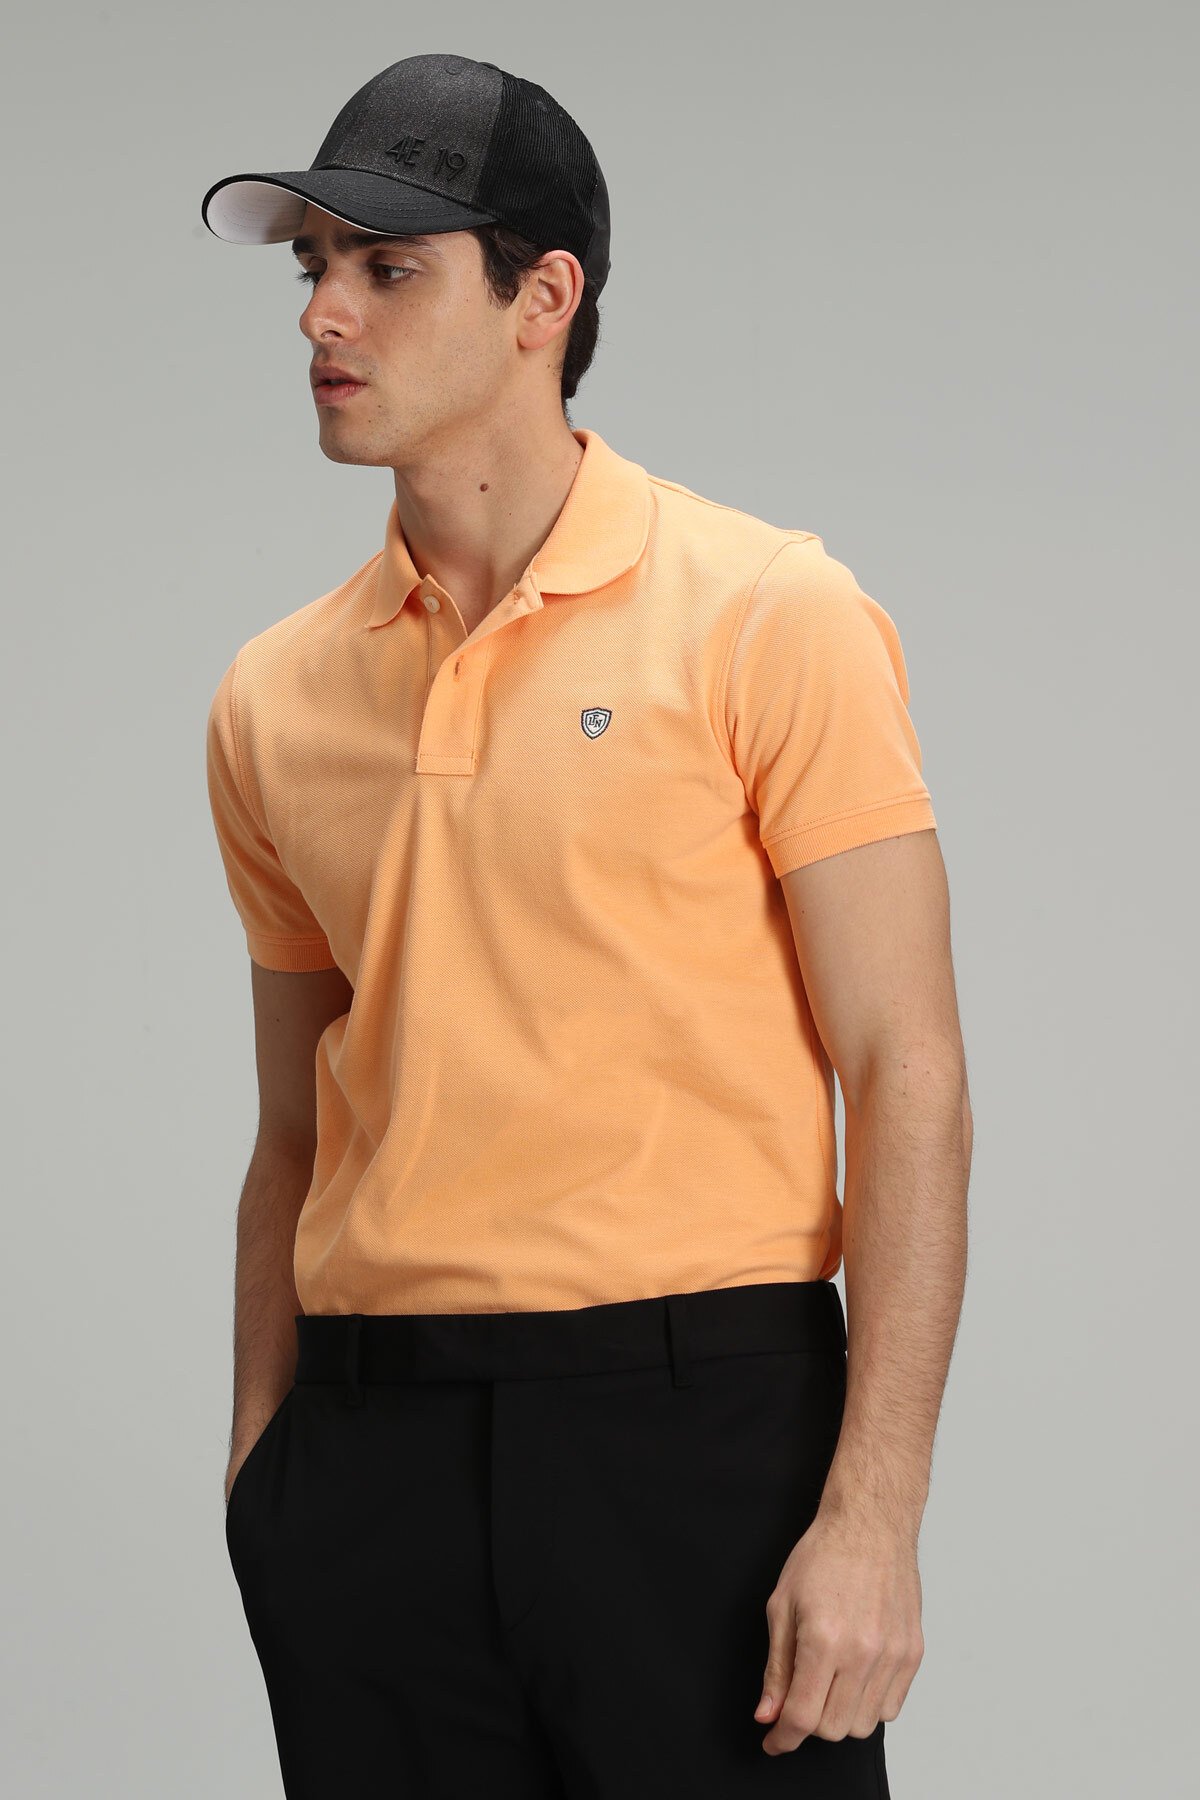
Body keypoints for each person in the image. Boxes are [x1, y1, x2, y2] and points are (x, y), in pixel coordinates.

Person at [201, 49, 971, 1800]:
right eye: (311, 266)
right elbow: (294, 1127)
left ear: (543, 298)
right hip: (370, 1463)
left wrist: (875, 1512)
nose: (322, 313)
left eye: (386, 268)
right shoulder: (273, 696)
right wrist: (264, 1473)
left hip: (699, 1438)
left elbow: (908, 1074)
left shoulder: (768, 614)